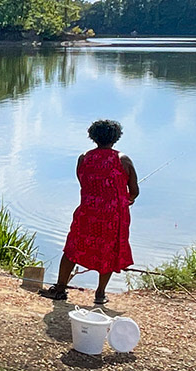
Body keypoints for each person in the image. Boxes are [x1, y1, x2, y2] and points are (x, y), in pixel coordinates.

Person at [39, 119, 137, 306]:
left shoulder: (84, 158)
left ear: (93, 137)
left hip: (88, 212)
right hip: (113, 216)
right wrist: (127, 199)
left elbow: (83, 181)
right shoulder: (123, 160)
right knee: (108, 250)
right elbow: (134, 191)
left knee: (73, 247)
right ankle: (100, 294)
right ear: (116, 138)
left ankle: (60, 289)